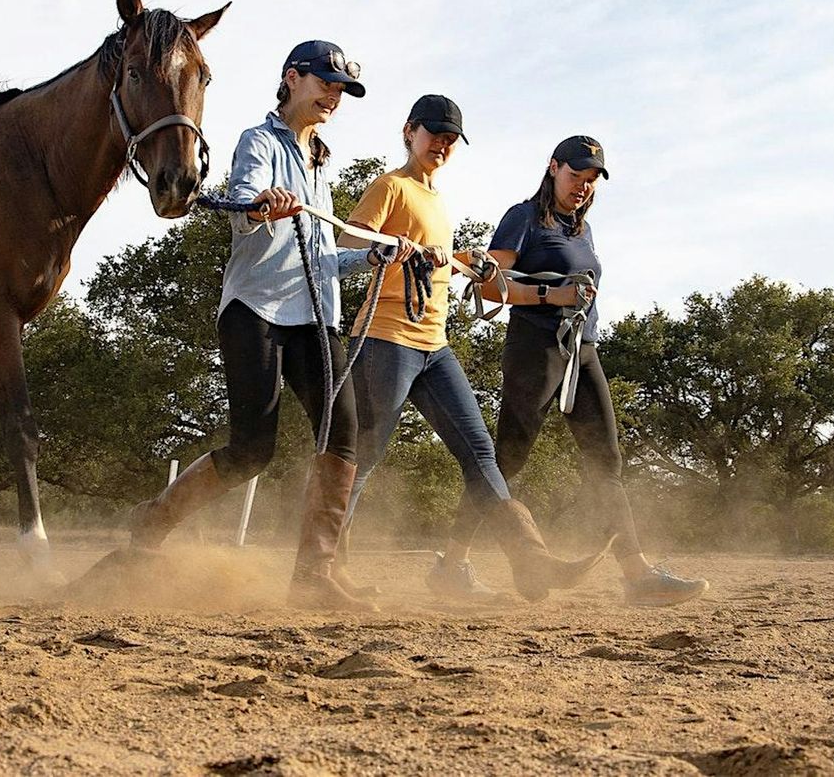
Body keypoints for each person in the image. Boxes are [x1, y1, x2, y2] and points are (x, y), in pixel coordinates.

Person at [127, 40, 412, 612]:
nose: (333, 96)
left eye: (341, 90)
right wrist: (262, 203)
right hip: (256, 311)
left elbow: (323, 249)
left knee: (344, 431)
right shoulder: (259, 142)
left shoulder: (320, 158)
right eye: (325, 83)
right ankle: (153, 520)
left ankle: (314, 576)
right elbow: (240, 199)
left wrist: (375, 256)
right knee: (254, 449)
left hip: (316, 313)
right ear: (292, 78)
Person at [336, 95, 608, 602]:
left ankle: (532, 560)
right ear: (408, 131)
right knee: (367, 454)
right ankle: (325, 566)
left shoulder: (437, 198)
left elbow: (438, 262)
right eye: (433, 133)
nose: (441, 144)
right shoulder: (389, 186)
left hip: (434, 343)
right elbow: (353, 245)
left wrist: (467, 260)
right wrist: (392, 248)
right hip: (385, 337)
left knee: (482, 454)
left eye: (450, 138)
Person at [448, 135, 708, 606]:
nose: (583, 187)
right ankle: (451, 564)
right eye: (576, 176)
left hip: (582, 350)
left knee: (605, 463)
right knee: (506, 461)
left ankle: (637, 574)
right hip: (535, 349)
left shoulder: (581, 230)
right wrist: (553, 296)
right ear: (553, 168)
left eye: (591, 181)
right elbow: (490, 286)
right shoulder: (522, 218)